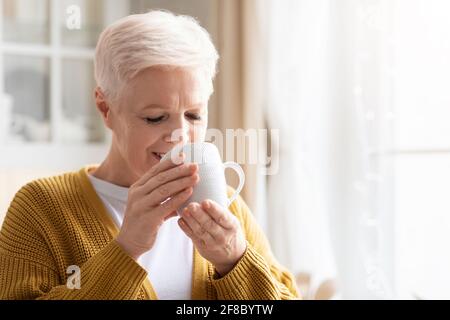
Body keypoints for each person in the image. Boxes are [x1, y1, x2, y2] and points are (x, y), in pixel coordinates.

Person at [0, 10, 299, 300]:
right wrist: (126, 248)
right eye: (156, 118)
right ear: (106, 109)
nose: (181, 135)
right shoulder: (41, 208)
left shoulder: (227, 208)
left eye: (194, 115)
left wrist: (235, 261)